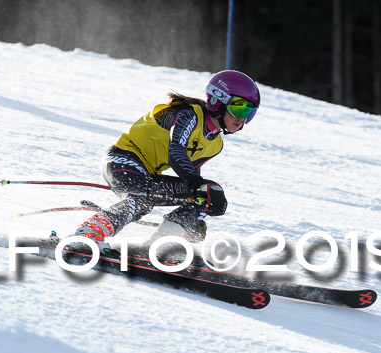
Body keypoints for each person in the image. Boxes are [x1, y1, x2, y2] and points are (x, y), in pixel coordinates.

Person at [74, 70, 260, 254]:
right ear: (217, 101)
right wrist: (199, 185)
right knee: (142, 200)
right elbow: (176, 153)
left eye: (249, 112)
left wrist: (194, 219)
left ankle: (157, 247)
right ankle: (87, 235)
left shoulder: (215, 144)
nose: (242, 118)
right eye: (239, 108)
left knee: (205, 195)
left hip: (147, 175)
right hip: (122, 159)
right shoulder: (190, 115)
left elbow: (191, 177)